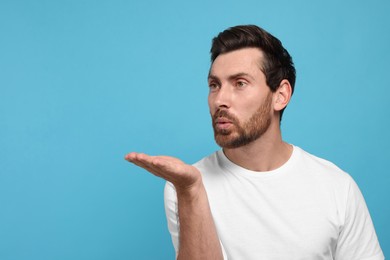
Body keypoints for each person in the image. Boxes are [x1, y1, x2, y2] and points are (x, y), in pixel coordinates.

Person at [125, 25, 384, 260]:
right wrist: (190, 190)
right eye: (214, 85)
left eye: (240, 83)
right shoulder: (186, 186)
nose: (219, 100)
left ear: (280, 95)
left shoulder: (337, 188)